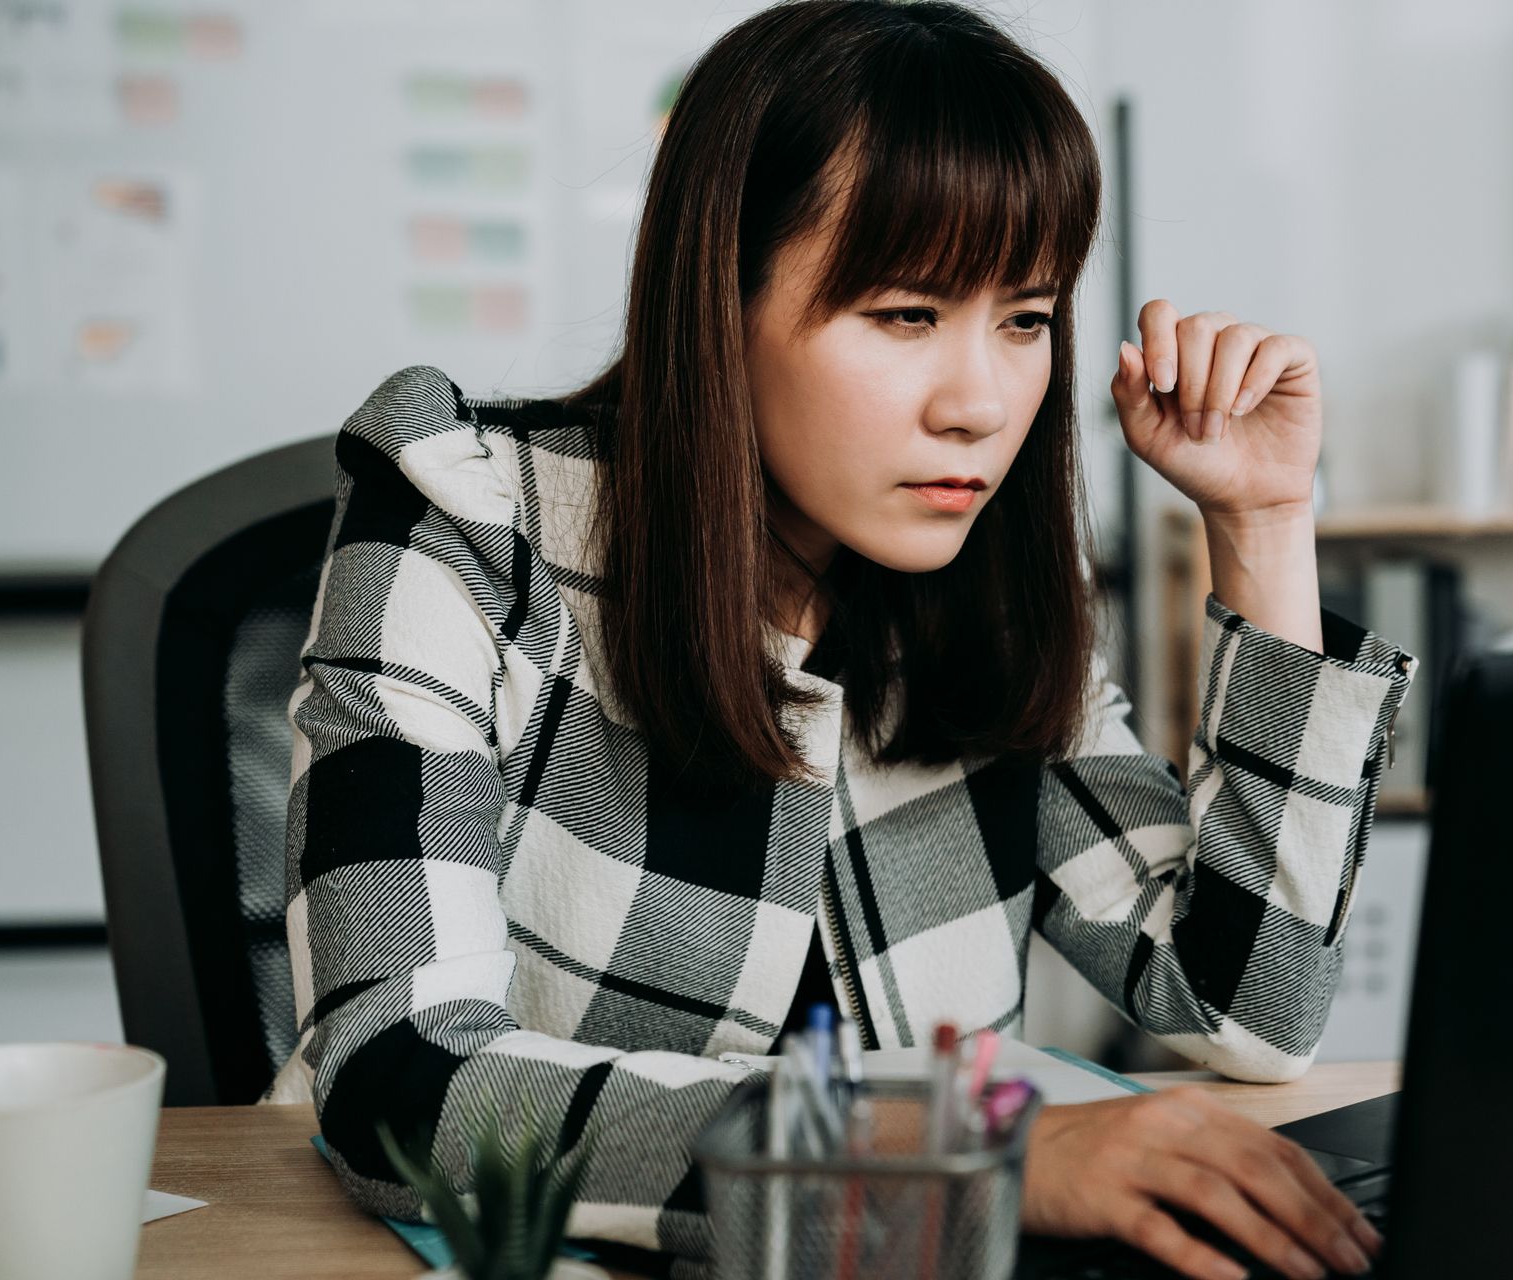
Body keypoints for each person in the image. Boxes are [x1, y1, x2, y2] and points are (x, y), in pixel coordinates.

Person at [261, 4, 1414, 1279]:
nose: (980, 404)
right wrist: (961, 1150)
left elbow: (1246, 1011)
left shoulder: (987, 584)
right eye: (908, 313)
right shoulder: (465, 515)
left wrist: (1262, 521)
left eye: (1025, 318)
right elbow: (400, 1081)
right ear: (724, 296)